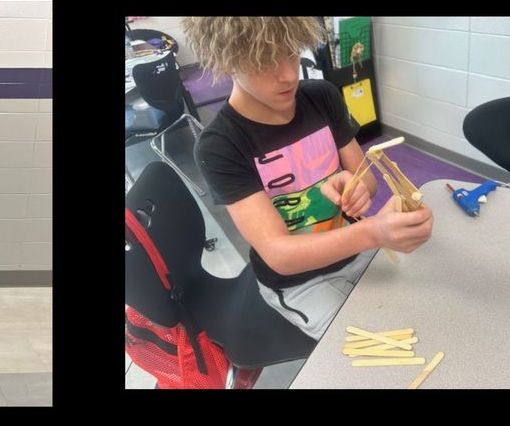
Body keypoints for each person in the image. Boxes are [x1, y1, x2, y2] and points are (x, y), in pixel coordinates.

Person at [180, 17, 434, 340]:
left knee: (423, 312)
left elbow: (366, 180)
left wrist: (355, 188)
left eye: (291, 53)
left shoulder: (322, 97)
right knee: (376, 349)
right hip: (299, 282)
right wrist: (373, 232)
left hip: (355, 249)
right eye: (265, 61)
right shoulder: (220, 145)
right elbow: (279, 254)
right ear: (228, 62)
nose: (288, 75)